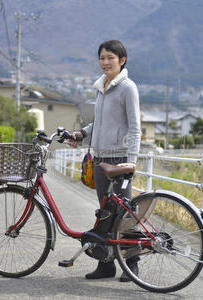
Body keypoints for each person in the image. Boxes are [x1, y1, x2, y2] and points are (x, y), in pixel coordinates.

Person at [70, 40, 141, 282]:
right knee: (104, 214)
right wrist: (82, 134)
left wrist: (131, 161)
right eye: (102, 57)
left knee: (125, 214)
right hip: (100, 160)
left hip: (119, 159)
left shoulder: (128, 88)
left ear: (122, 60)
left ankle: (131, 265)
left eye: (111, 57)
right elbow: (99, 122)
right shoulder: (101, 87)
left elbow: (135, 128)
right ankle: (106, 264)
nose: (105, 62)